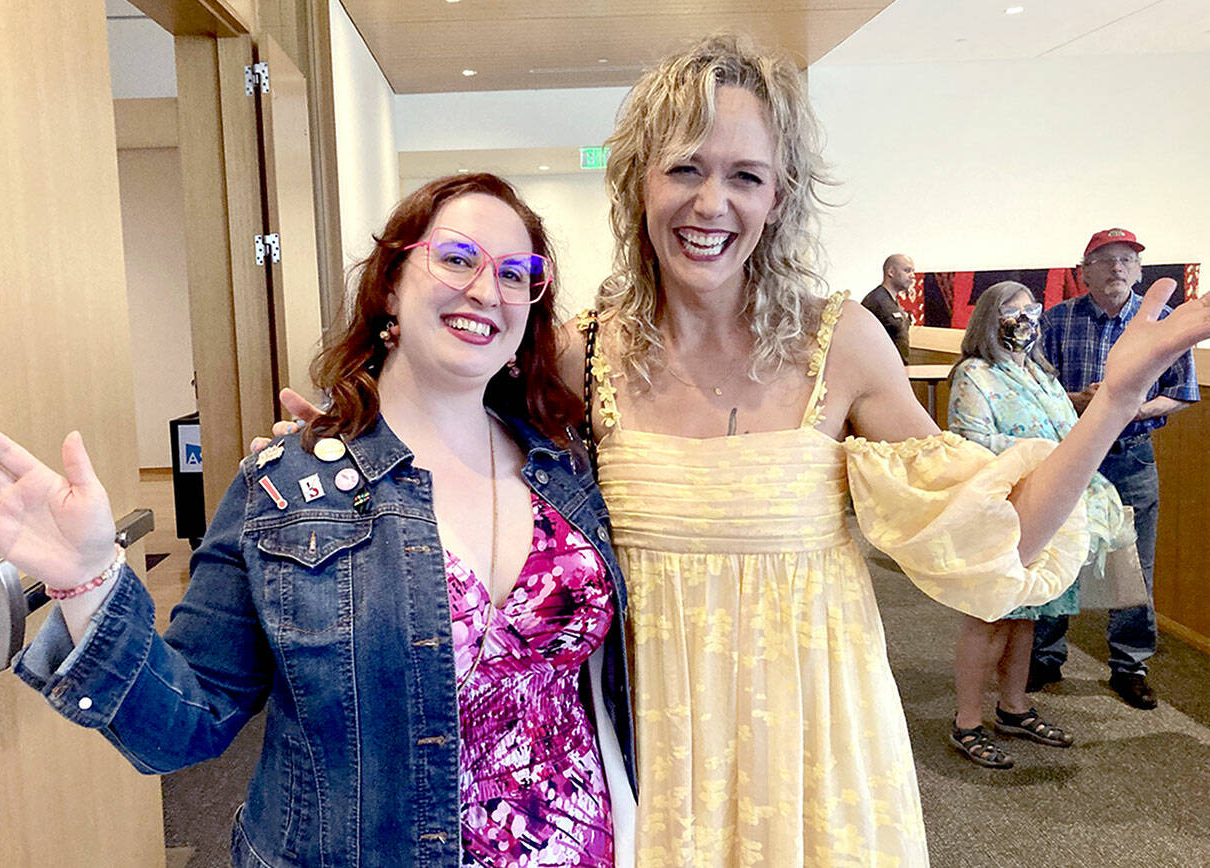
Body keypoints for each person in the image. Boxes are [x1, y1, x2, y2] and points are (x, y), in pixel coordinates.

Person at [264, 38, 1210, 868]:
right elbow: (457, 459)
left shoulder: (838, 342)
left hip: (814, 745)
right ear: (638, 179)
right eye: (683, 167)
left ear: (779, 196)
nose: (710, 202)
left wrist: (1116, 399)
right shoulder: (577, 348)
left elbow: (991, 534)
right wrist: (336, 447)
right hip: (648, 743)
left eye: (745, 175)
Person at [0, 174, 637, 868]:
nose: (487, 290)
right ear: (391, 280)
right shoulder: (287, 488)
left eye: (518, 273)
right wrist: (87, 583)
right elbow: (185, 726)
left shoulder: (564, 470)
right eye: (456, 258)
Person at [945, 281, 1141, 768]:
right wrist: (1039, 457)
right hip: (1006, 512)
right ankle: (966, 721)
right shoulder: (974, 374)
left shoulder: (1040, 374)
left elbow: (1066, 436)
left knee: (1029, 617)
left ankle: (1014, 707)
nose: (1026, 320)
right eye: (1013, 312)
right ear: (990, 319)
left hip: (1055, 512)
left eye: (1033, 310)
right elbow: (969, 445)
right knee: (990, 616)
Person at [1030, 228, 1200, 710]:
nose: (1117, 269)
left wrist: (1132, 408)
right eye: (1105, 260)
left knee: (1134, 565)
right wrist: (1080, 401)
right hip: (1069, 456)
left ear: (1139, 270)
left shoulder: (1163, 323)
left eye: (1126, 260)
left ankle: (1130, 665)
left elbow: (1182, 393)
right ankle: (1045, 656)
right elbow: (1038, 389)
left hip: (1132, 456)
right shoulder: (1056, 321)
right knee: (1057, 552)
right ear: (1084, 271)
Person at [861, 253, 916, 362]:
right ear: (891, 272)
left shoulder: (894, 301)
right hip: (881, 369)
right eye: (907, 270)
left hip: (898, 368)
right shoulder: (876, 301)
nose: (912, 275)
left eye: (913, 271)